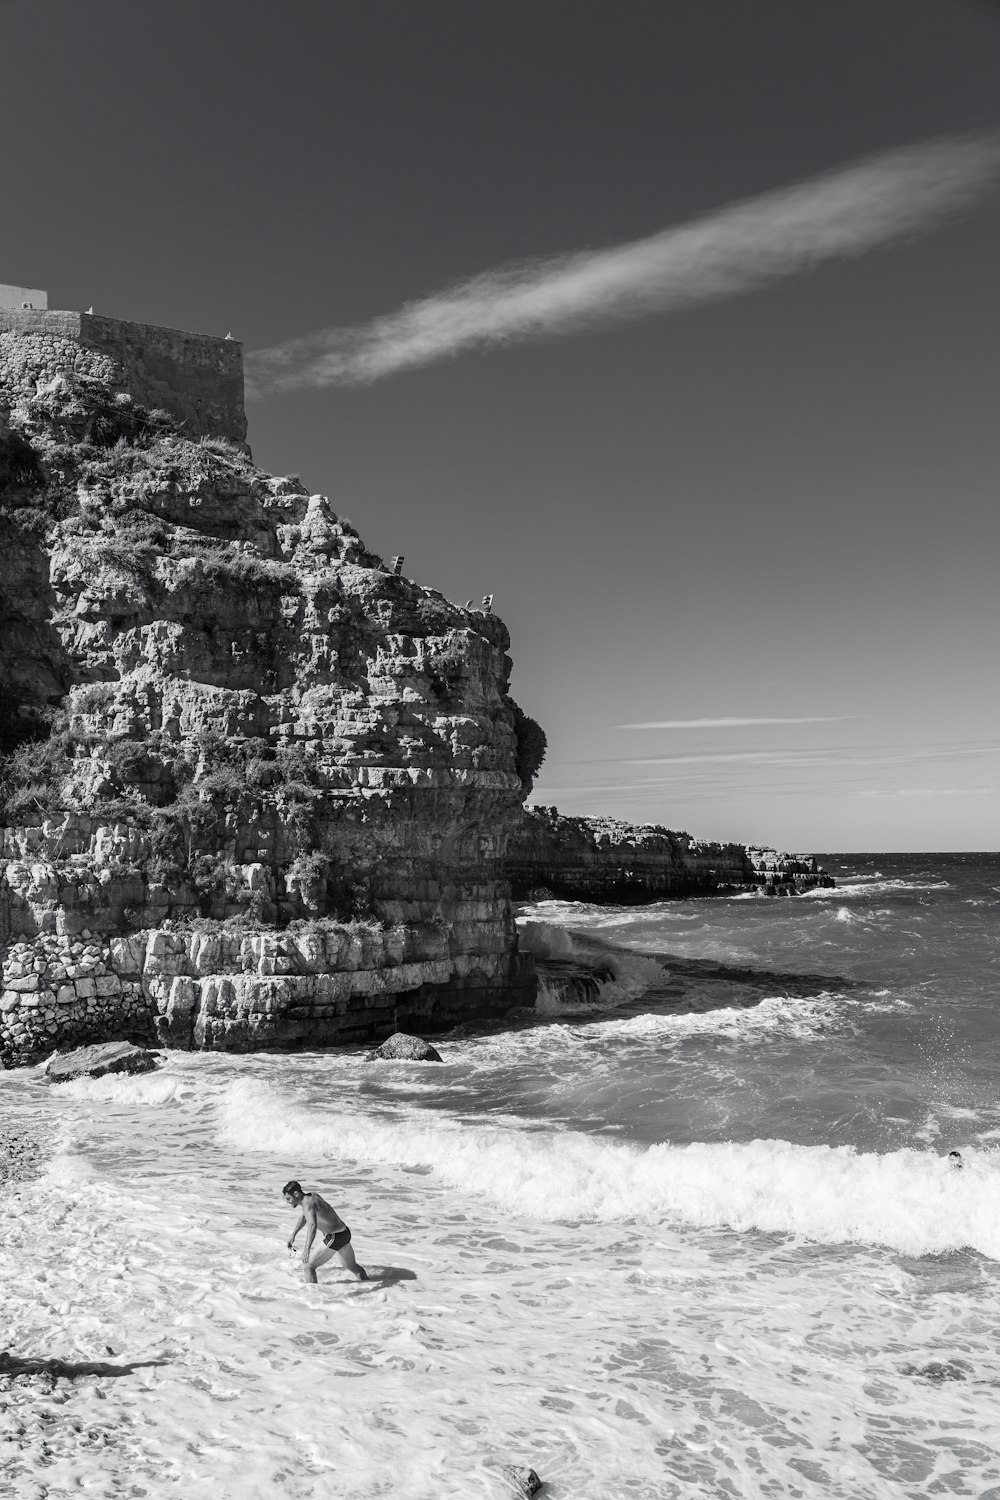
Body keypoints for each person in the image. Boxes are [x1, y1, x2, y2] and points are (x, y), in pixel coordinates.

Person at [282, 1180, 368, 1284]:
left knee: (308, 1266)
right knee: (352, 1267)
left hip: (334, 1237)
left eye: (288, 1199)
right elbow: (305, 1216)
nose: (288, 1202)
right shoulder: (313, 1196)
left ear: (296, 1194)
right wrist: (293, 1234)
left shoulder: (307, 1205)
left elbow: (312, 1226)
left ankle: (313, 1297)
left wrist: (307, 1249)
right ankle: (370, 1286)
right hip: (345, 1233)